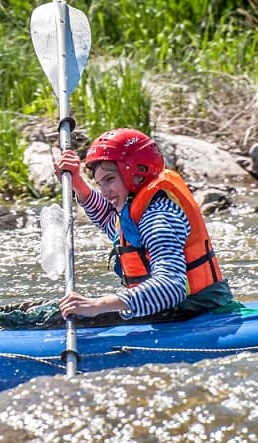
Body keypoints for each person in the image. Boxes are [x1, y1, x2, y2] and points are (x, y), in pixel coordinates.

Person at [54, 128, 235, 322]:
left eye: (110, 179)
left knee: (43, 318)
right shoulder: (137, 209)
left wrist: (97, 305)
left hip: (193, 313)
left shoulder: (159, 218)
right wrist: (78, 185)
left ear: (136, 172)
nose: (105, 192)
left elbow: (171, 288)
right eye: (100, 184)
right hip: (171, 311)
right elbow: (110, 221)